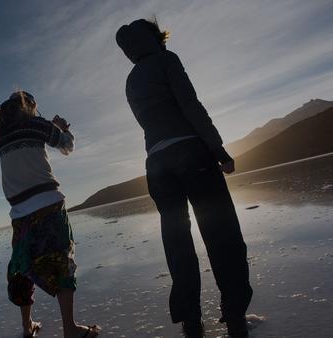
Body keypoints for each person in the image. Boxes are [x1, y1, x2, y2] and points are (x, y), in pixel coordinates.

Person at [115, 19, 253, 338]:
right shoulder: (167, 59)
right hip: (190, 152)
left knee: (177, 244)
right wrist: (218, 150)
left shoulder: (131, 79)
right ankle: (234, 318)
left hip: (156, 165)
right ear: (154, 38)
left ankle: (191, 324)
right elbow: (189, 105)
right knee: (222, 235)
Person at [0, 91, 101, 338]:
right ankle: (70, 329)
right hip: (49, 205)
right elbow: (67, 146)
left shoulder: (1, 137)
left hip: (20, 215)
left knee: (22, 269)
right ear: (29, 106)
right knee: (62, 263)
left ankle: (27, 327)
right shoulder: (36, 125)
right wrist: (62, 127)